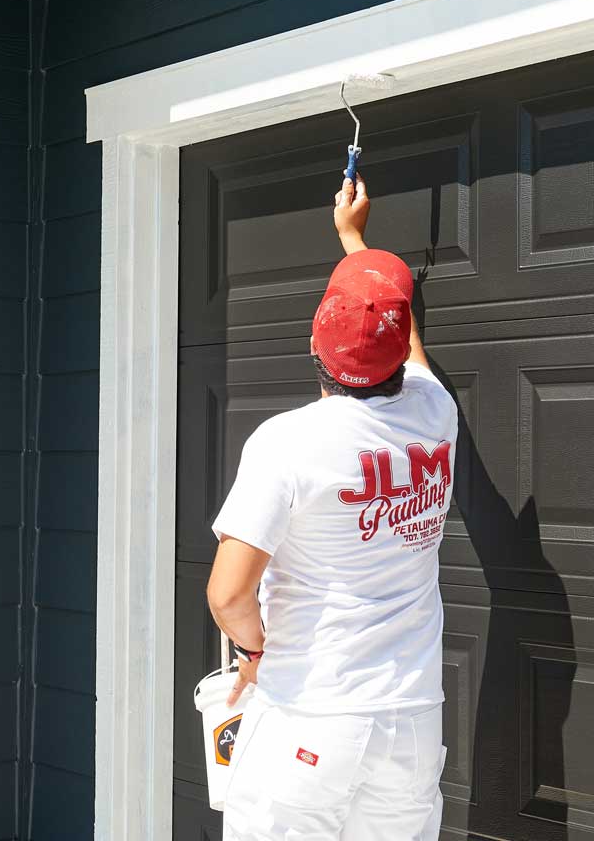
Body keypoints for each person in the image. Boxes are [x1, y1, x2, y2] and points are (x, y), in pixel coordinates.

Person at [207, 173, 458, 841]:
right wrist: (355, 242)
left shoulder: (288, 443)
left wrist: (255, 653)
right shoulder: (436, 411)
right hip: (409, 721)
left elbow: (229, 595)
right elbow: (400, 340)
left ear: (314, 344)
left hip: (310, 716)